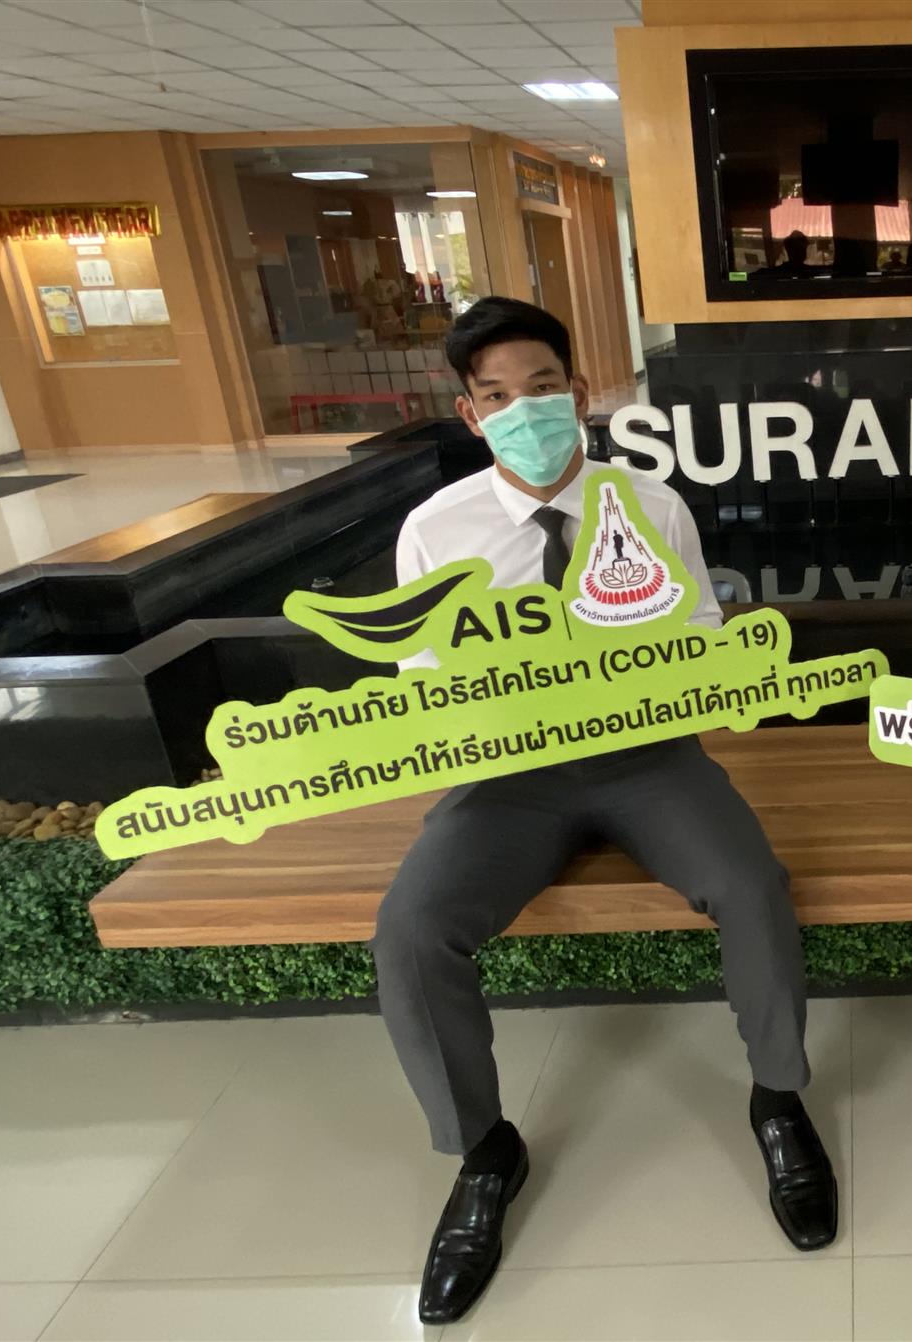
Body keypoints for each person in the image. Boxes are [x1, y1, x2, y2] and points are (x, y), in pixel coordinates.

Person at [379, 297, 836, 1325]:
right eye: (498, 396)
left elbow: (704, 639)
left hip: (647, 757)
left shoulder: (651, 504)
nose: (524, 411)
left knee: (751, 886)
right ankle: (483, 1153)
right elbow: (421, 682)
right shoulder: (434, 531)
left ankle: (777, 1098)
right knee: (411, 929)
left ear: (578, 393)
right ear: (470, 414)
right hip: (507, 776)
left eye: (541, 387)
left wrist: (697, 677)